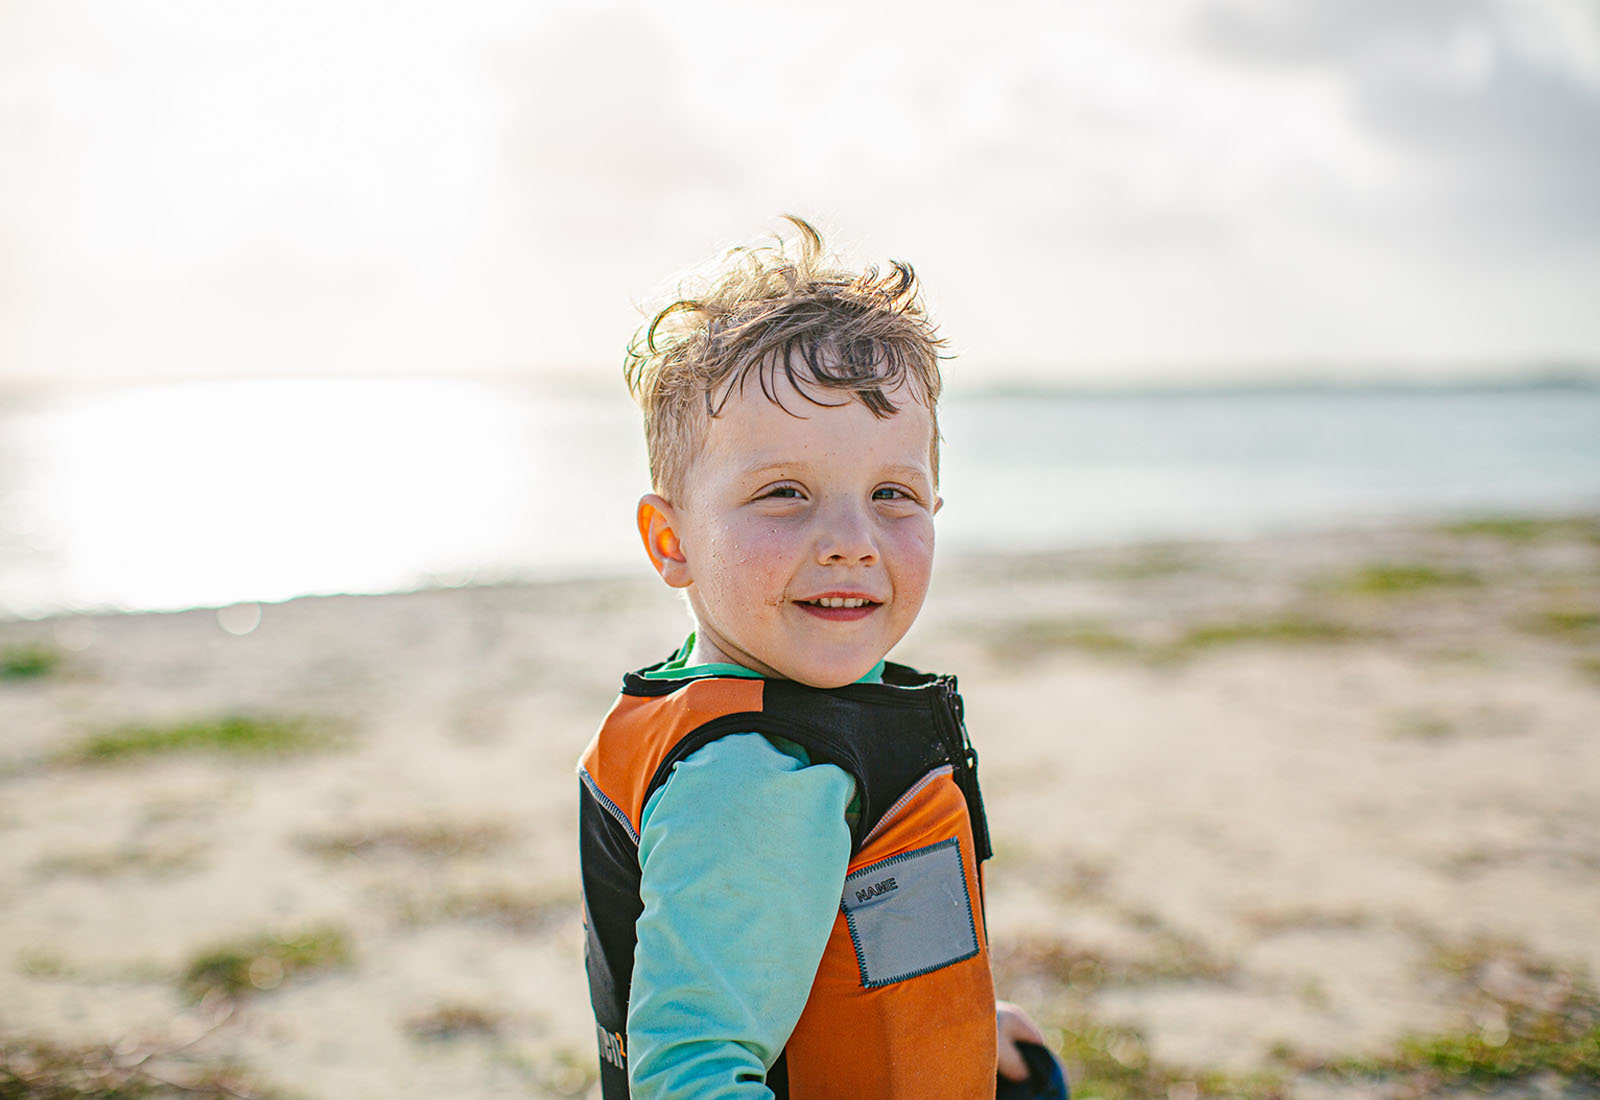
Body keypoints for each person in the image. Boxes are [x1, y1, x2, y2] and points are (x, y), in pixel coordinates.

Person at [578, 217, 1054, 1099]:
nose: (851, 541)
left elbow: (827, 949)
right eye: (784, 493)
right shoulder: (752, 778)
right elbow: (688, 1073)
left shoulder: (800, 723)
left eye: (891, 494)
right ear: (671, 538)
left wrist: (959, 1028)